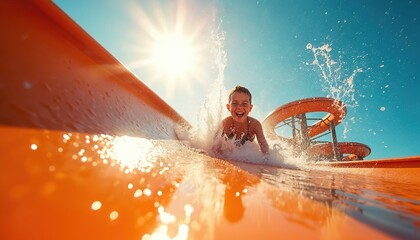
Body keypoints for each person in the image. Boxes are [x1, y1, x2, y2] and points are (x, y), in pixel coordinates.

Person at [213, 85, 270, 156]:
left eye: (244, 104)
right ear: (228, 107)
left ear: (250, 108)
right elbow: (214, 146)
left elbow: (264, 147)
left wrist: (268, 159)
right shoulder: (225, 123)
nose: (239, 107)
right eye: (235, 103)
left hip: (247, 154)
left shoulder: (255, 125)